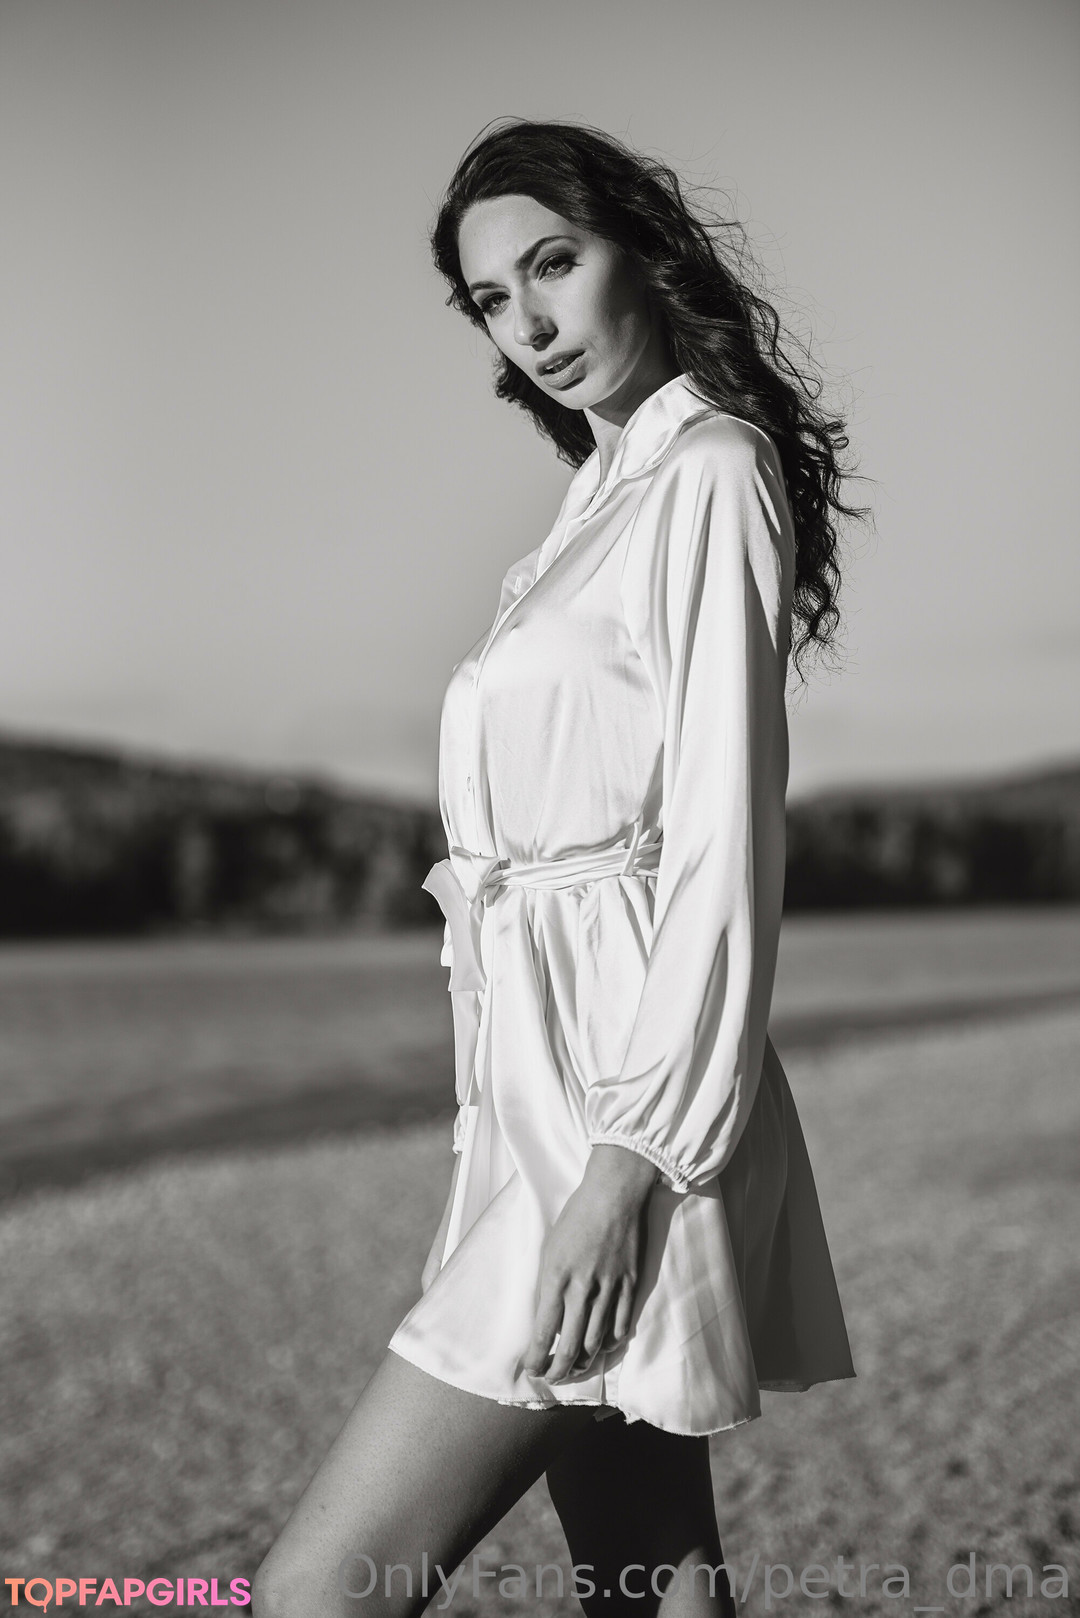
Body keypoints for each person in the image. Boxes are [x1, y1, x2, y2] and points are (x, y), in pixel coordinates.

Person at [253, 117, 862, 1618]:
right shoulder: (593, 503)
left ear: (638, 250)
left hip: (620, 1112)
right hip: (538, 1102)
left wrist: (629, 1163)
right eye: (491, 299)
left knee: (318, 1591)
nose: (528, 323)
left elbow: (722, 841)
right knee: (650, 1580)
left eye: (552, 263)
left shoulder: (709, 470)